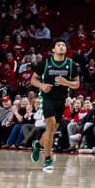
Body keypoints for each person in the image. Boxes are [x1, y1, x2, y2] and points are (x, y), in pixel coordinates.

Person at [30, 38, 80, 173]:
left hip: (61, 100)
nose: (62, 47)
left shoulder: (71, 64)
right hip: (47, 98)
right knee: (51, 127)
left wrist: (67, 83)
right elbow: (33, 79)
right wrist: (42, 85)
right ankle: (47, 159)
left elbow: (77, 84)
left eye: (63, 45)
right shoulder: (45, 63)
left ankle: (38, 144)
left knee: (50, 131)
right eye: (58, 45)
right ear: (53, 49)